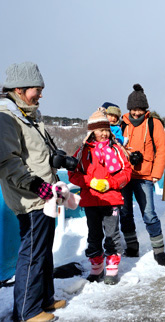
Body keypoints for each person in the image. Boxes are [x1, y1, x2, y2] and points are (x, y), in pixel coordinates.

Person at [0, 62, 66, 321]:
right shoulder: (7, 117)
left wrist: (58, 159)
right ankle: (27, 311)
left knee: (44, 249)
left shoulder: (29, 114)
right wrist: (35, 184)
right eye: (36, 89)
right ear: (19, 88)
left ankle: (45, 299)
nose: (40, 94)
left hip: (45, 193)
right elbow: (8, 161)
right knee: (32, 252)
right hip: (30, 195)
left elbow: (38, 151)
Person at [68, 108, 131, 285]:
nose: (103, 133)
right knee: (94, 235)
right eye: (99, 130)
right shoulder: (82, 151)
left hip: (111, 200)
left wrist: (110, 183)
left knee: (112, 235)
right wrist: (90, 181)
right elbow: (73, 173)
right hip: (90, 201)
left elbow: (127, 171)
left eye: (106, 129)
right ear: (91, 131)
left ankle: (112, 268)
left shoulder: (117, 149)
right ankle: (96, 268)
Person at [120, 84, 165, 266]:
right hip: (125, 176)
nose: (136, 113)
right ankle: (132, 247)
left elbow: (162, 151)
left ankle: (159, 251)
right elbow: (116, 147)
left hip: (145, 177)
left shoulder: (153, 123)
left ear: (145, 108)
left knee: (149, 214)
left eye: (139, 109)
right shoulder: (122, 123)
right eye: (133, 109)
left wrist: (156, 173)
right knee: (125, 214)